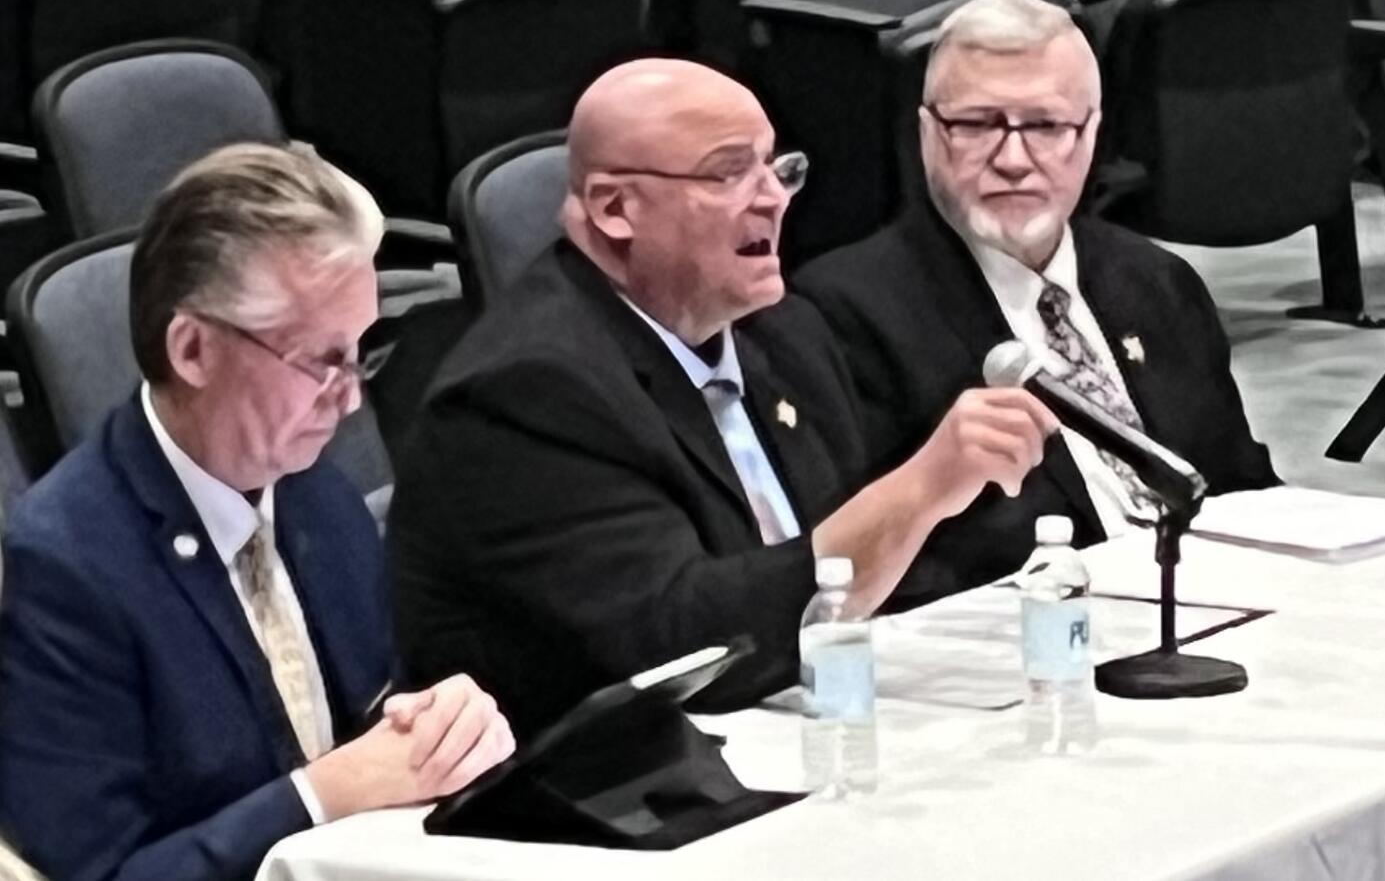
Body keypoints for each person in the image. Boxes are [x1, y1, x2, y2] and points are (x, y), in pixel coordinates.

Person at [389, 59, 1057, 733]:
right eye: (729, 172)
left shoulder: (783, 331)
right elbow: (686, 645)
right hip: (590, 795)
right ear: (614, 208)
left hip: (792, 723)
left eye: (775, 167)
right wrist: (918, 492)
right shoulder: (529, 392)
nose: (773, 198)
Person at [0, 143, 514, 881]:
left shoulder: (319, 497)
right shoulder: (62, 568)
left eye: (360, 354)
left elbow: (374, 728)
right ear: (194, 349)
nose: (351, 398)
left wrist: (441, 732)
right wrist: (318, 796)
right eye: (321, 360)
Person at [797, 0, 1278, 598]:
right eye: (976, 125)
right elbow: (862, 572)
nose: (1014, 160)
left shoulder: (1158, 283)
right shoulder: (843, 314)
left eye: (1047, 126)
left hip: (1211, 606)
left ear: (1091, 134)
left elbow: (1242, 487)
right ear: (926, 135)